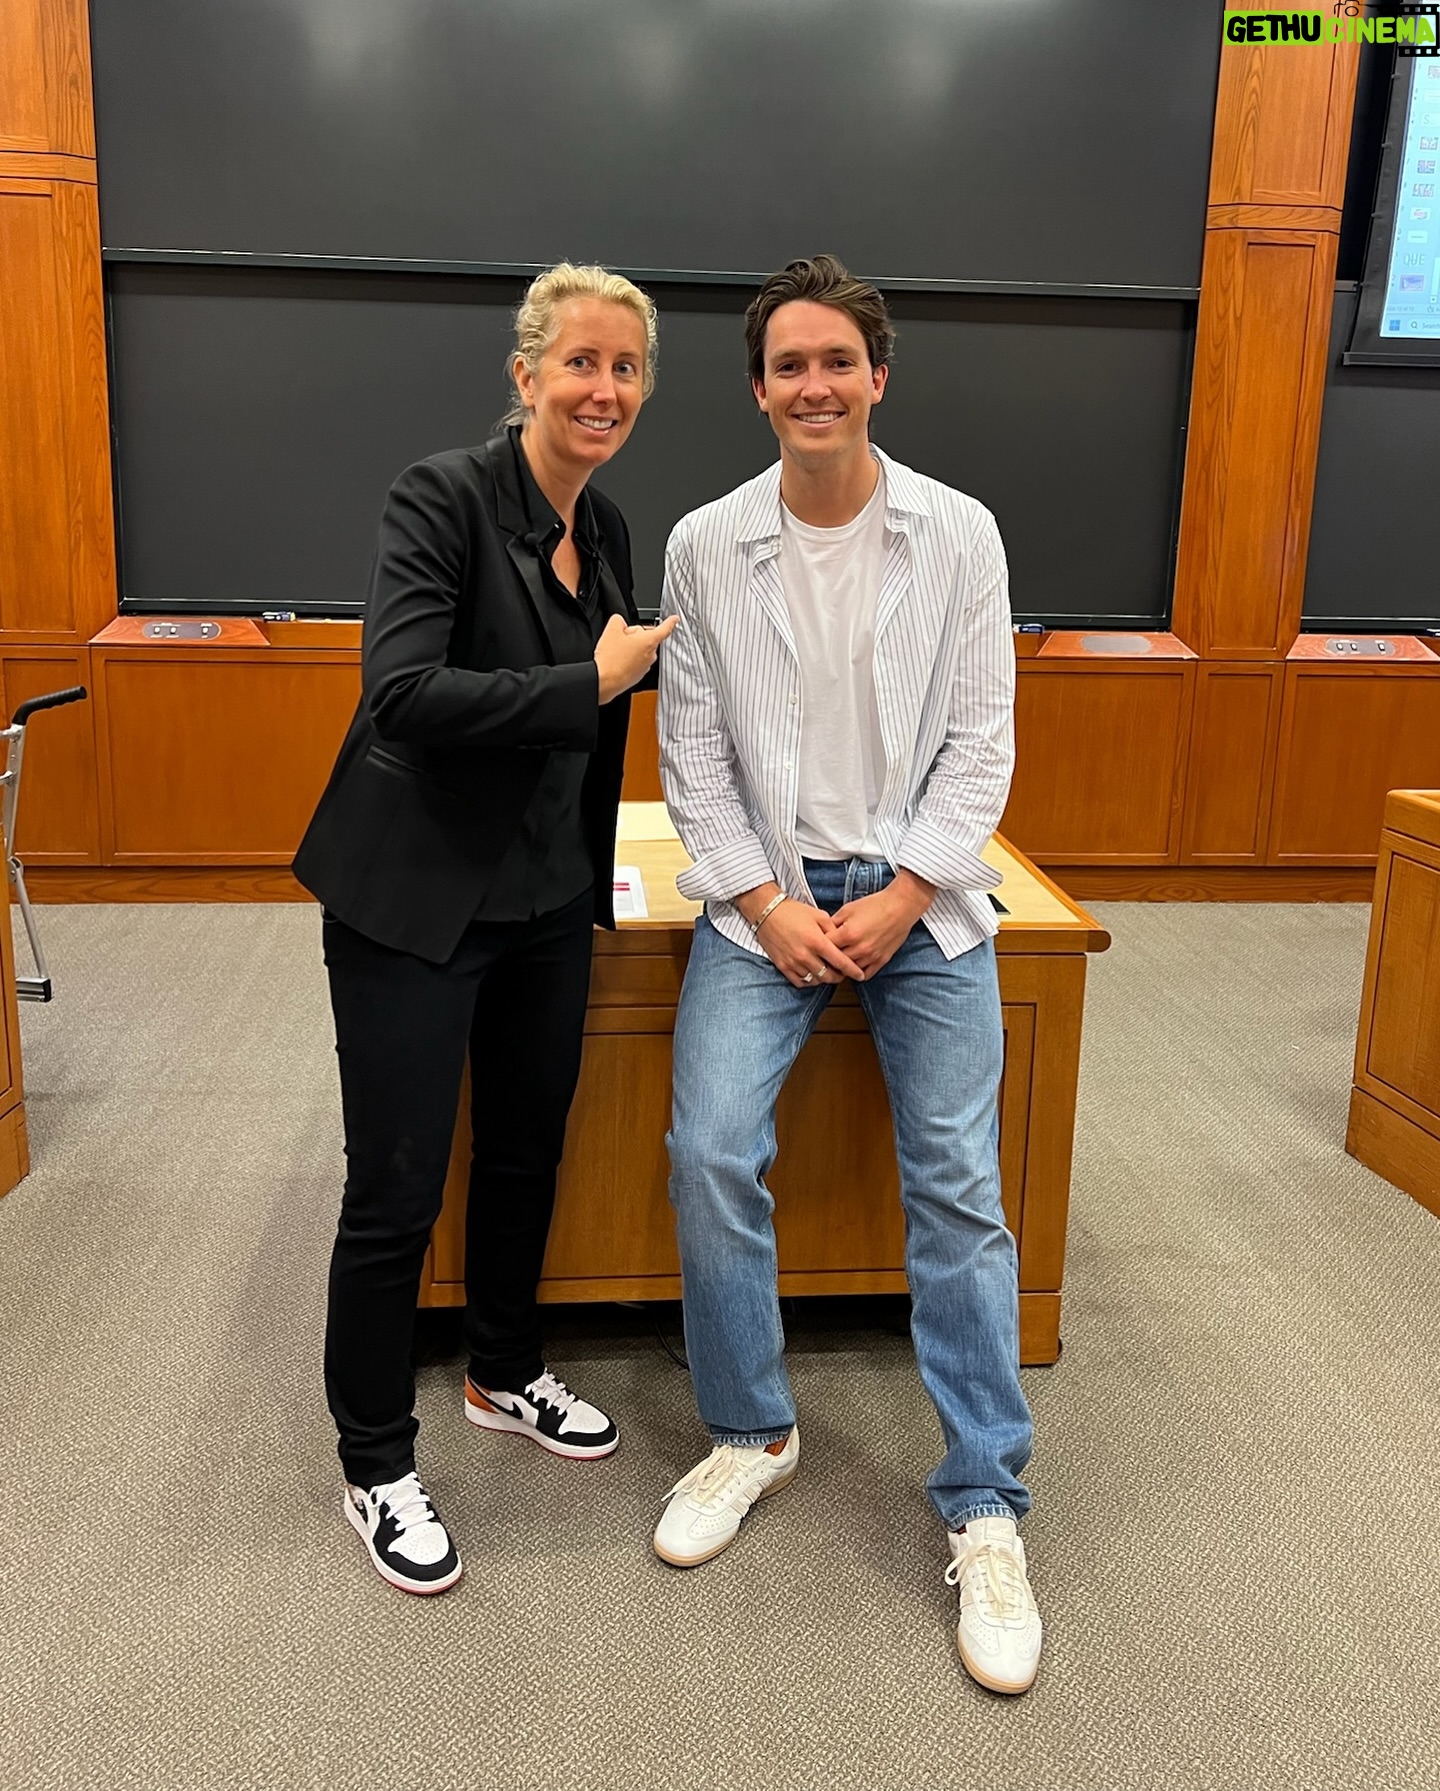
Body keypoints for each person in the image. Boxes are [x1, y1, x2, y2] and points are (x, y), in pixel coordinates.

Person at [653, 255, 1041, 1692]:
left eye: (838, 362)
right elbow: (691, 757)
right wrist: (763, 901)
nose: (814, 385)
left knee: (956, 1181)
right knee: (708, 1149)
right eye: (788, 366)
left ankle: (985, 1501)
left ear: (879, 375)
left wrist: (908, 890)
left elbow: (983, 743)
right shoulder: (706, 542)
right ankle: (751, 1431)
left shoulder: (960, 532)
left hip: (918, 897)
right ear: (757, 390)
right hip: (762, 896)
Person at [294, 263, 675, 1595]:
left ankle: (504, 1370)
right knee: (396, 1188)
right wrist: (586, 679)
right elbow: (402, 693)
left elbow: (603, 709)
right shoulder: (442, 497)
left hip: (548, 902)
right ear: (526, 375)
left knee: (524, 1152)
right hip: (414, 901)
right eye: (580, 362)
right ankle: (373, 1460)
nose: (602, 389)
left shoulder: (606, 524)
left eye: (625, 368)